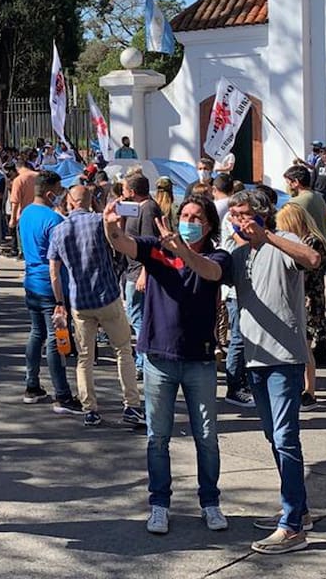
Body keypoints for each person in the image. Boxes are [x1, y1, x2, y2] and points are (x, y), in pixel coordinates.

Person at [103, 192, 231, 536]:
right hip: (159, 359)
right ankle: (159, 504)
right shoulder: (156, 248)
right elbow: (123, 244)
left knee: (207, 437)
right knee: (157, 437)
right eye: (184, 216)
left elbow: (211, 272)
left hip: (200, 360)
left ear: (209, 224)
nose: (189, 222)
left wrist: (183, 251)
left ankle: (210, 502)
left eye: (196, 218)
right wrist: (111, 226)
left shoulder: (217, 255)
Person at [228, 190, 323, 555]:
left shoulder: (282, 241)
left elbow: (312, 258)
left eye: (244, 214)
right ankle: (298, 509)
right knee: (274, 436)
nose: (238, 220)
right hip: (255, 357)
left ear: (262, 214)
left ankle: (293, 527)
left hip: (284, 358)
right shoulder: (239, 254)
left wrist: (267, 235)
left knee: (285, 438)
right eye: (234, 214)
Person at [49, 185, 144, 427]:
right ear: (90, 201)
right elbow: (117, 244)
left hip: (79, 300)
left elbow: (54, 272)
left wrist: (60, 302)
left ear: (71, 202)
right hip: (107, 295)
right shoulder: (98, 221)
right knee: (123, 350)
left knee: (85, 357)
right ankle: (131, 405)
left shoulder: (59, 231)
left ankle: (90, 409)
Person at [16, 170, 77, 411]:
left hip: (32, 281)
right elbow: (61, 257)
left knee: (36, 333)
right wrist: (62, 299)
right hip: (51, 285)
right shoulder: (54, 220)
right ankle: (62, 393)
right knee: (55, 338)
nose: (62, 195)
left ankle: (31, 384)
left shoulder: (26, 213)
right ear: (51, 193)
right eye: (60, 191)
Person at [275, 204, 326, 406]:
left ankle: (309, 390)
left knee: (304, 347)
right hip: (304, 297)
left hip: (308, 299)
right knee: (301, 346)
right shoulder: (306, 240)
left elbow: (304, 273)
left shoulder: (311, 243)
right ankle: (305, 388)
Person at [122, 174, 162, 379]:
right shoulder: (137, 208)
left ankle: (144, 362)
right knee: (137, 316)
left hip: (139, 272)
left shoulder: (148, 209)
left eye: (124, 188)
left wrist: (144, 273)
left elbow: (150, 244)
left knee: (138, 318)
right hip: (132, 270)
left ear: (132, 191)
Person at [283, 165, 326, 234]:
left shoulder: (295, 202)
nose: (288, 186)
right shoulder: (318, 196)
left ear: (296, 182)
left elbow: (286, 228)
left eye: (288, 182)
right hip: (322, 238)